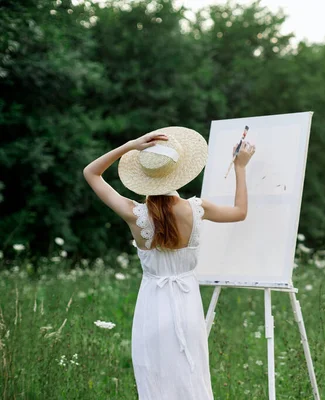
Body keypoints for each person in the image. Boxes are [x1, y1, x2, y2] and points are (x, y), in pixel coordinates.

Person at [83, 126, 255, 399]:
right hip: (187, 305)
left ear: (144, 178)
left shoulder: (132, 213)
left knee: (154, 375)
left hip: (152, 304)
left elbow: (90, 172)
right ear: (179, 170)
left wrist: (130, 145)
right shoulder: (197, 208)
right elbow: (240, 212)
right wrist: (241, 167)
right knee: (191, 374)